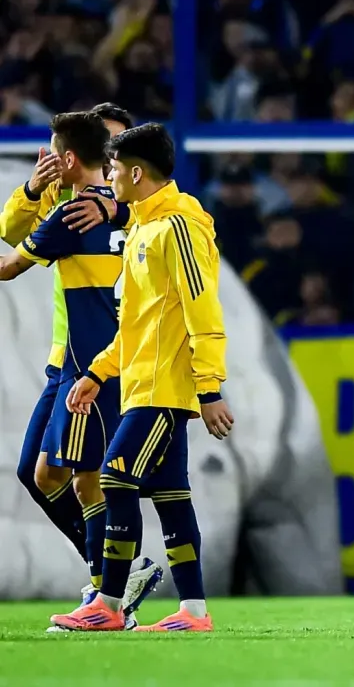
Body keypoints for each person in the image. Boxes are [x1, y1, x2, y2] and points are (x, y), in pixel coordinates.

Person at [51, 123, 233, 632]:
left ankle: (108, 603)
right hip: (139, 384)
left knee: (114, 476)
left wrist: (210, 388)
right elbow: (136, 323)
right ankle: (193, 611)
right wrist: (97, 373)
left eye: (112, 169)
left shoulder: (178, 228)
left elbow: (203, 312)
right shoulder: (141, 229)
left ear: (135, 172)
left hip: (166, 388)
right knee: (171, 493)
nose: (108, 178)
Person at [0, 112, 161, 628]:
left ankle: (107, 592)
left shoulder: (112, 211)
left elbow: (9, 264)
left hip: (100, 360)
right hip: (68, 357)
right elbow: (10, 231)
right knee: (41, 472)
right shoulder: (79, 206)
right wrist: (31, 188)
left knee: (90, 478)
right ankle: (113, 577)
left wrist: (112, 204)